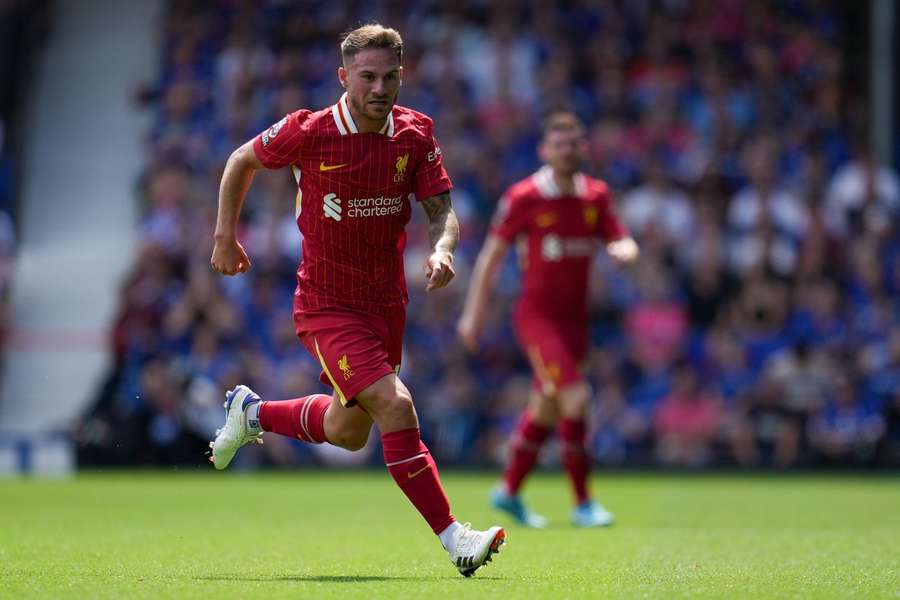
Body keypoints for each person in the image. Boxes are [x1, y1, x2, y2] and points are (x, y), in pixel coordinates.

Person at [208, 23, 504, 576]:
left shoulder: (415, 134)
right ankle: (454, 538)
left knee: (349, 433)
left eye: (390, 76)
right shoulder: (309, 130)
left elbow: (443, 212)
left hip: (386, 306)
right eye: (367, 77)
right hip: (326, 306)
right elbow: (239, 161)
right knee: (397, 405)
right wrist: (225, 235)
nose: (379, 88)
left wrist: (443, 251)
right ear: (344, 77)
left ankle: (251, 413)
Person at [457, 112, 638, 528]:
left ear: (583, 148)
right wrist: (473, 315)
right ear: (545, 150)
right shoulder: (525, 197)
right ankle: (582, 504)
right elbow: (490, 258)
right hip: (538, 319)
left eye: (574, 143)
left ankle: (509, 490)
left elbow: (620, 236)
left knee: (546, 407)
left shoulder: (596, 195)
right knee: (576, 399)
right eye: (559, 144)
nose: (567, 150)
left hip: (577, 321)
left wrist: (626, 250)